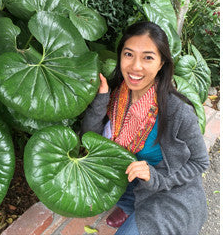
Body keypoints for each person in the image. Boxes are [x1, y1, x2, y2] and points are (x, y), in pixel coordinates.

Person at [81, 21, 209, 234]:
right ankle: (128, 207)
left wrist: (156, 178)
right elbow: (90, 139)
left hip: (168, 190)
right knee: (118, 168)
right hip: (133, 182)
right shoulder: (117, 95)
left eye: (148, 57)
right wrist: (102, 98)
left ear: (161, 64)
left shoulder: (178, 112)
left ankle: (138, 212)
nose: (135, 66)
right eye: (129, 54)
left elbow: (200, 162)